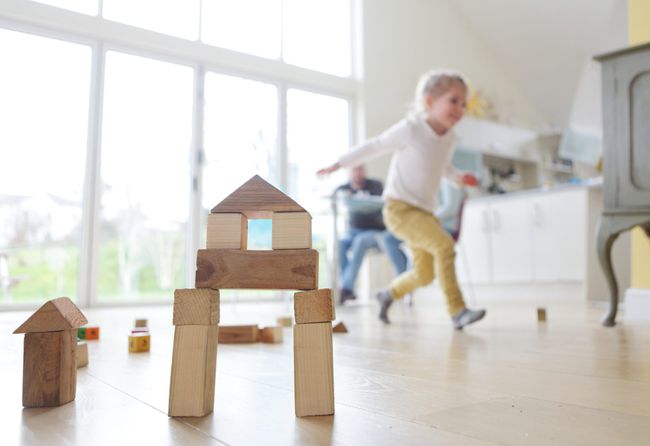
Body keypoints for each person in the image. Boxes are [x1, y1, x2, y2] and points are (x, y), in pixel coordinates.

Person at [318, 70, 486, 329]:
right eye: (454, 101)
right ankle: (457, 311)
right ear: (430, 102)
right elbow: (375, 145)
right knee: (444, 247)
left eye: (464, 104)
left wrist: (460, 177)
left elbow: (444, 168)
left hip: (424, 213)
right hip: (399, 210)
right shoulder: (411, 129)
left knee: (425, 273)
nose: (461, 108)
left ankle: (387, 294)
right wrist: (340, 163)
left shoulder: (449, 138)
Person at [336, 165, 407, 304]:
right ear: (350, 173)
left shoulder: (376, 185)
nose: (358, 173)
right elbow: (339, 199)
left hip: (374, 231)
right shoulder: (344, 188)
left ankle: (346, 288)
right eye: (355, 170)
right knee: (340, 243)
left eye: (361, 169)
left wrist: (359, 204)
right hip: (352, 231)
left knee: (359, 241)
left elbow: (381, 204)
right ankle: (346, 285)